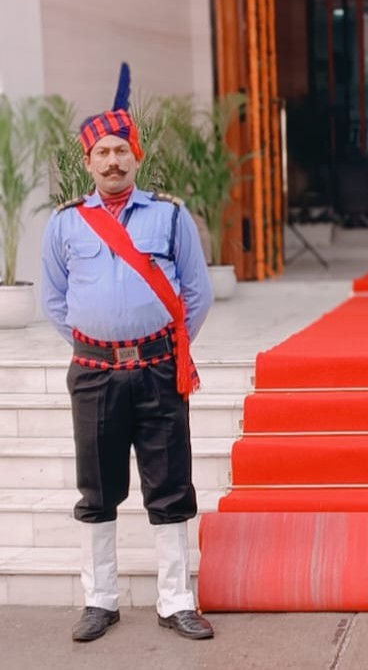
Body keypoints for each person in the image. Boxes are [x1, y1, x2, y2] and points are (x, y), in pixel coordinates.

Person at [40, 64, 214, 643]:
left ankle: (175, 600)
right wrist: (97, 342)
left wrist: (158, 343)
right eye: (102, 153)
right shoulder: (66, 224)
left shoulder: (169, 214)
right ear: (88, 163)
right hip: (93, 375)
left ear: (135, 157)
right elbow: (54, 299)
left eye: (121, 150)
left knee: (169, 487)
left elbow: (196, 291)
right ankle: (100, 600)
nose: (112, 161)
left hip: (159, 370)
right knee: (97, 490)